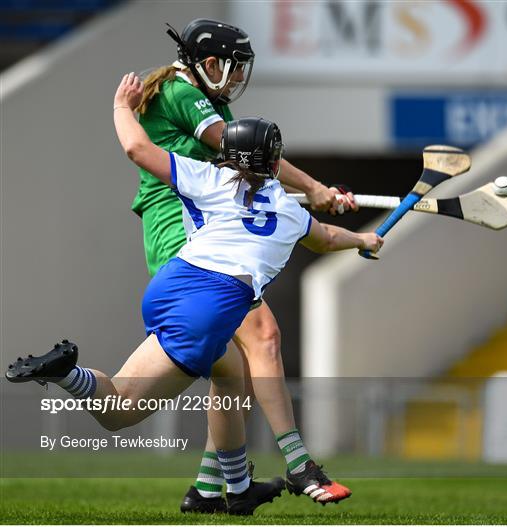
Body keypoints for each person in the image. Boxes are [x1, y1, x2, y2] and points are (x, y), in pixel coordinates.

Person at [5, 74, 382, 515]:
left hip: (171, 284)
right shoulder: (288, 212)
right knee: (120, 412)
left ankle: (232, 490)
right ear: (274, 162)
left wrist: (121, 107)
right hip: (209, 307)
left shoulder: (206, 177)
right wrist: (364, 240)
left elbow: (137, 149)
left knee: (231, 372)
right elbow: (328, 238)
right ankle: (70, 374)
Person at [133, 18, 359, 511]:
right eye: (233, 67)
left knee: (229, 369)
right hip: (183, 226)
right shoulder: (181, 92)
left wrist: (312, 199)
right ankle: (299, 464)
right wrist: (315, 188)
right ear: (209, 62)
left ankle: (213, 489)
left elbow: (251, 176)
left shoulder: (207, 96)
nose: (238, 77)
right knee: (264, 336)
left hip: (207, 224)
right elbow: (246, 153)